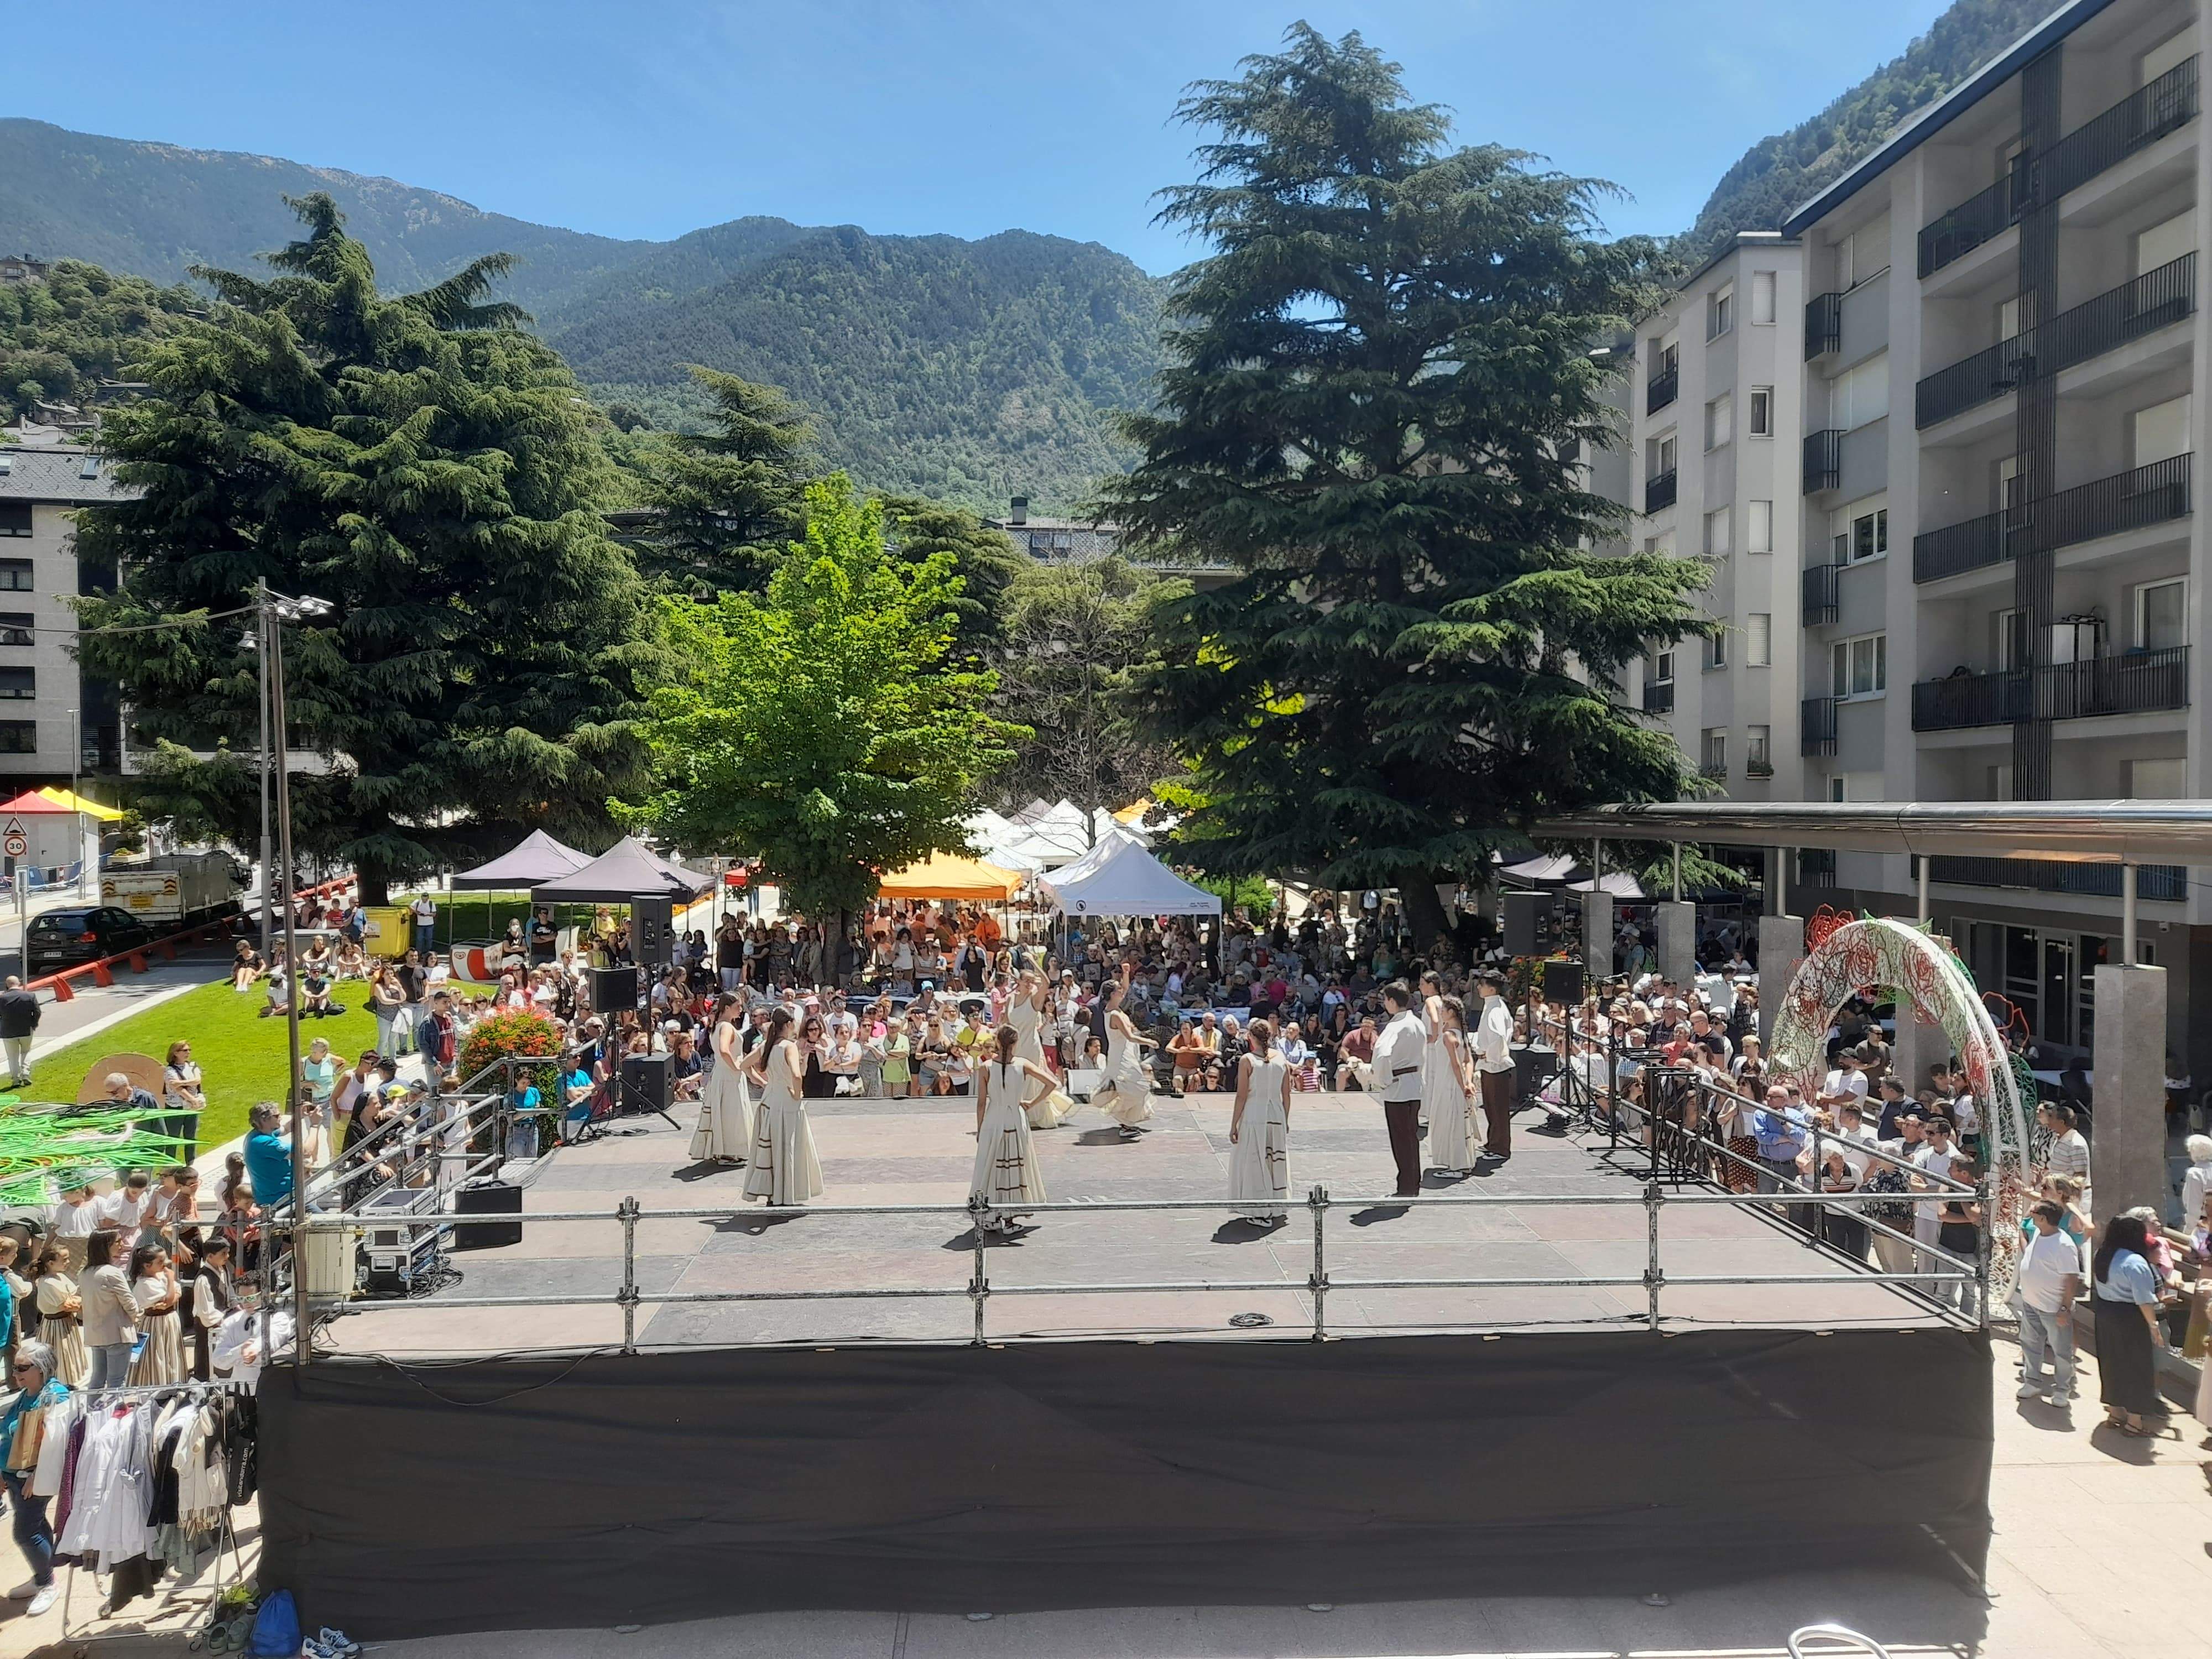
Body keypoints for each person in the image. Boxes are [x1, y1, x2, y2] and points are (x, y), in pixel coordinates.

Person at [2, 1338, 67, 1615]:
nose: (15, 1373)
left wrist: (36, 1476)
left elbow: (57, 1444)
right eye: (15, 1368)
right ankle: (44, 1575)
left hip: (33, 1479)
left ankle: (47, 1583)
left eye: (22, 1368)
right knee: (36, 1526)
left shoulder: (56, 1396)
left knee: (25, 1533)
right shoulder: (27, 1394)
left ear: (41, 1368)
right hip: (15, 1477)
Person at [970, 1025, 1052, 1235]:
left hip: (993, 1120)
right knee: (1014, 1167)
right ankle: (1009, 1218)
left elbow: (981, 1103)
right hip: (1016, 1119)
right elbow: (1052, 1083)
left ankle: (993, 1217)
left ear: (997, 1042)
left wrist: (980, 1129)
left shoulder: (986, 1067)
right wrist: (1030, 1104)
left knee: (992, 1167)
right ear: (1016, 1043)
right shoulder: (1023, 1064)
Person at [2090, 1212, 2167, 1436]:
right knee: (2137, 1367)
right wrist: (2154, 1327)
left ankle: (2115, 1413)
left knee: (2111, 1362)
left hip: (2105, 1312)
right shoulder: (2135, 1262)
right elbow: (2144, 1299)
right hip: (2130, 1317)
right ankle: (2135, 1422)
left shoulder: (2101, 1254)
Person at [742, 1009, 823, 1206]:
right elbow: (796, 1075)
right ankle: (787, 1192)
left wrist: (762, 1083)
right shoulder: (789, 1047)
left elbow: (744, 1065)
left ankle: (773, 1192)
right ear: (788, 1024)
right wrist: (797, 1093)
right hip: (787, 1103)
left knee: (771, 1149)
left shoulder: (766, 1045)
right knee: (788, 1148)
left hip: (770, 1101)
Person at [2016, 1199, 2083, 1408]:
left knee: (2061, 1351)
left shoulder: (2064, 1244)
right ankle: (2032, 1381)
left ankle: (2062, 1389)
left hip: (2054, 1308)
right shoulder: (2038, 1233)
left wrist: (2064, 1308)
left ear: (2043, 1219)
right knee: (2030, 1344)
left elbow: (2071, 1277)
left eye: (2034, 1212)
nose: (2030, 1213)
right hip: (2031, 1303)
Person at [1228, 1017, 1292, 1225]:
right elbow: (1287, 1095)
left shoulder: (1247, 1059)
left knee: (1257, 1161)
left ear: (1250, 1037)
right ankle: (1275, 1206)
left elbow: (1242, 1095)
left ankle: (1261, 1212)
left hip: (1255, 1114)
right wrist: (1286, 1119)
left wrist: (1234, 1124)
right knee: (1275, 1159)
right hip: (1276, 1113)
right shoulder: (1281, 1059)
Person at [1089, 972, 1156, 1141]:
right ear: (1113, 994)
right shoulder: (1115, 1015)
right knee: (1138, 1088)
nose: (1123, 992)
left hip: (1125, 1054)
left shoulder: (1113, 1008)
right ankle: (1125, 1122)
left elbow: (1125, 988)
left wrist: (1126, 973)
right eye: (1119, 990)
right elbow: (1130, 1037)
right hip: (1121, 1057)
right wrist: (1149, 1042)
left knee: (1135, 1088)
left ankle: (1128, 1122)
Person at [1374, 980, 1426, 1198]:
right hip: (1414, 1084)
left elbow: (1382, 1054)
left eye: (1386, 1000)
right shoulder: (1417, 1022)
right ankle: (1413, 1182)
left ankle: (1406, 1185)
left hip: (1398, 1086)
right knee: (1411, 1137)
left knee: (1401, 1139)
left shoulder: (1395, 1026)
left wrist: (1383, 1080)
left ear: (1392, 1001)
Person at [687, 996, 753, 1167]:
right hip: (729, 1076)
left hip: (723, 1074)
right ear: (727, 1008)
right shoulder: (726, 1027)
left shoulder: (717, 1026)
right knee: (732, 1114)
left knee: (727, 1112)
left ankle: (730, 1151)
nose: (741, 1009)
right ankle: (729, 1153)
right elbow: (724, 1050)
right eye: (738, 1006)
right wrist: (736, 1066)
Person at [1425, 995, 1478, 1175]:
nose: (1440, 1013)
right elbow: (1468, 1060)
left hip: (1449, 1083)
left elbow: (1457, 1064)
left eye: (1443, 1010)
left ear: (1451, 1012)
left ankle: (1456, 1166)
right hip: (1451, 1081)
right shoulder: (1459, 1033)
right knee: (1454, 1123)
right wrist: (1468, 1082)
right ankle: (1456, 1163)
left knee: (1450, 1123)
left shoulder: (1449, 1036)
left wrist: (1464, 1086)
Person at [79, 1229, 138, 1389]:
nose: (122, 1245)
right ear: (107, 1246)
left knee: (97, 1380)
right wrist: (135, 1318)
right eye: (118, 1242)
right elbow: (130, 1303)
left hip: (96, 1334)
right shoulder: (112, 1273)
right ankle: (114, 1413)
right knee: (117, 1382)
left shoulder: (84, 1273)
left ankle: (92, 1412)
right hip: (117, 1334)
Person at [1472, 971, 1517, 1161]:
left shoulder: (1496, 1009)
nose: (1478, 988)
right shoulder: (1492, 1006)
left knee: (1498, 1109)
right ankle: (1493, 1143)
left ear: (1491, 989)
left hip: (1495, 1066)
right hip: (1490, 1065)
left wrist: (1488, 1055)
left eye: (1482, 985)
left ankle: (1500, 1148)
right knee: (1491, 1107)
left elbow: (1499, 1038)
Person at [126, 1242, 184, 1385]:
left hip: (168, 1320)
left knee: (170, 1353)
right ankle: (158, 1386)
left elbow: (176, 1295)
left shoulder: (159, 1276)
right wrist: (171, 1281)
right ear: (147, 1265)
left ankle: (172, 1383)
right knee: (157, 1354)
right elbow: (170, 1298)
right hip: (155, 1323)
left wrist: (171, 1298)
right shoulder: (145, 1284)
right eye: (160, 1262)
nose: (165, 1264)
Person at [29, 1245, 84, 1387]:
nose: (68, 1262)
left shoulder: (60, 1276)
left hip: (66, 1322)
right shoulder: (48, 1283)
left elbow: (75, 1296)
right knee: (60, 1353)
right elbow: (69, 1304)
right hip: (56, 1325)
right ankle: (58, 1383)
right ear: (50, 1263)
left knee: (69, 1354)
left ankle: (67, 1381)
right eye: (64, 1259)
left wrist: (78, 1300)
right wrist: (80, 1302)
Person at [243, 1102, 295, 1210]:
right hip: (279, 1201)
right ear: (263, 1119)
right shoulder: (263, 1142)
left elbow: (285, 1129)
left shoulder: (259, 1134)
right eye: (276, 1116)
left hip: (282, 1197)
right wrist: (314, 1126)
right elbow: (304, 1152)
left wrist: (301, 1115)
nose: (280, 1118)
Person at [0, 974, 36, 1089]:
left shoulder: (1, 999)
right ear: (19, 983)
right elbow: (37, 1012)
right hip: (26, 1029)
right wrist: (33, 1024)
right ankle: (26, 1074)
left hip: (8, 1032)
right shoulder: (30, 996)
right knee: (26, 1052)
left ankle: (16, 1080)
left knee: (12, 1057)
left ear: (7, 985)